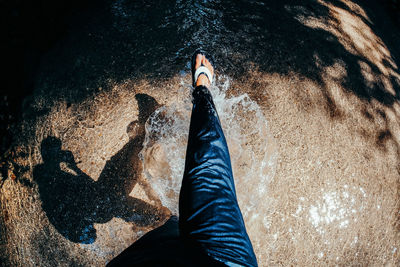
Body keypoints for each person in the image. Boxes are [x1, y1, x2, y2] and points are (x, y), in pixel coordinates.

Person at [107, 50, 258, 267]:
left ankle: (175, 220)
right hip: (221, 258)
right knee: (209, 175)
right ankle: (203, 90)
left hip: (191, 258)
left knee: (180, 219)